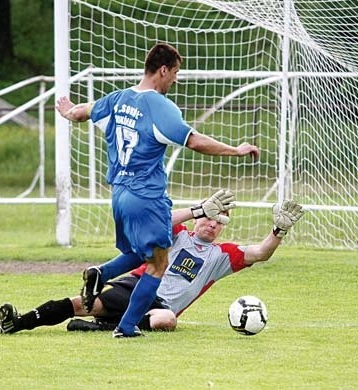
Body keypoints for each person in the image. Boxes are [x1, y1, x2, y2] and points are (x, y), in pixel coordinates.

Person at [55, 43, 260, 338]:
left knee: (141, 252)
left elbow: (79, 113)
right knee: (159, 262)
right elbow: (194, 141)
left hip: (119, 195)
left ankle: (101, 274)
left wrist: (67, 111)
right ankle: (125, 328)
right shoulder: (160, 106)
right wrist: (236, 150)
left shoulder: (117, 99)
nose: (175, 80)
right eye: (175, 73)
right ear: (163, 70)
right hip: (146, 196)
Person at [0, 197, 304, 335]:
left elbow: (261, 253)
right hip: (136, 286)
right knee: (79, 304)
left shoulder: (222, 256)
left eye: (219, 220)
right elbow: (160, 221)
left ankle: (104, 327)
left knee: (167, 320)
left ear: (222, 227)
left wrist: (278, 231)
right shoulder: (179, 232)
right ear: (199, 218)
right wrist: (196, 208)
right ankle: (18, 322)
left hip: (159, 307)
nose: (212, 223)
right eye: (208, 217)